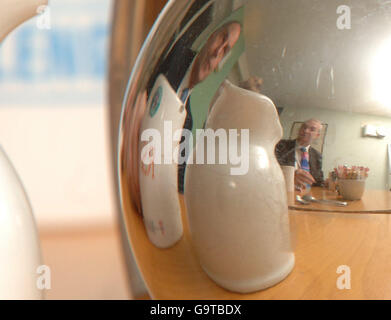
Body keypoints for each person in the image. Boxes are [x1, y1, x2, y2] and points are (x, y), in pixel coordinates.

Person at [177, 21, 242, 193]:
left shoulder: (188, 117)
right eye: (221, 39)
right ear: (210, 36)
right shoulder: (172, 59)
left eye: (225, 51)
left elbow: (178, 174)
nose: (217, 52)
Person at [275, 118, 324, 191]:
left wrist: (327, 183)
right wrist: (290, 176)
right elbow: (271, 169)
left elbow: (318, 181)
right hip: (283, 191)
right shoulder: (281, 145)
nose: (306, 131)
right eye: (304, 127)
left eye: (312, 129)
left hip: (307, 194)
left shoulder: (317, 155)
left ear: (317, 135)